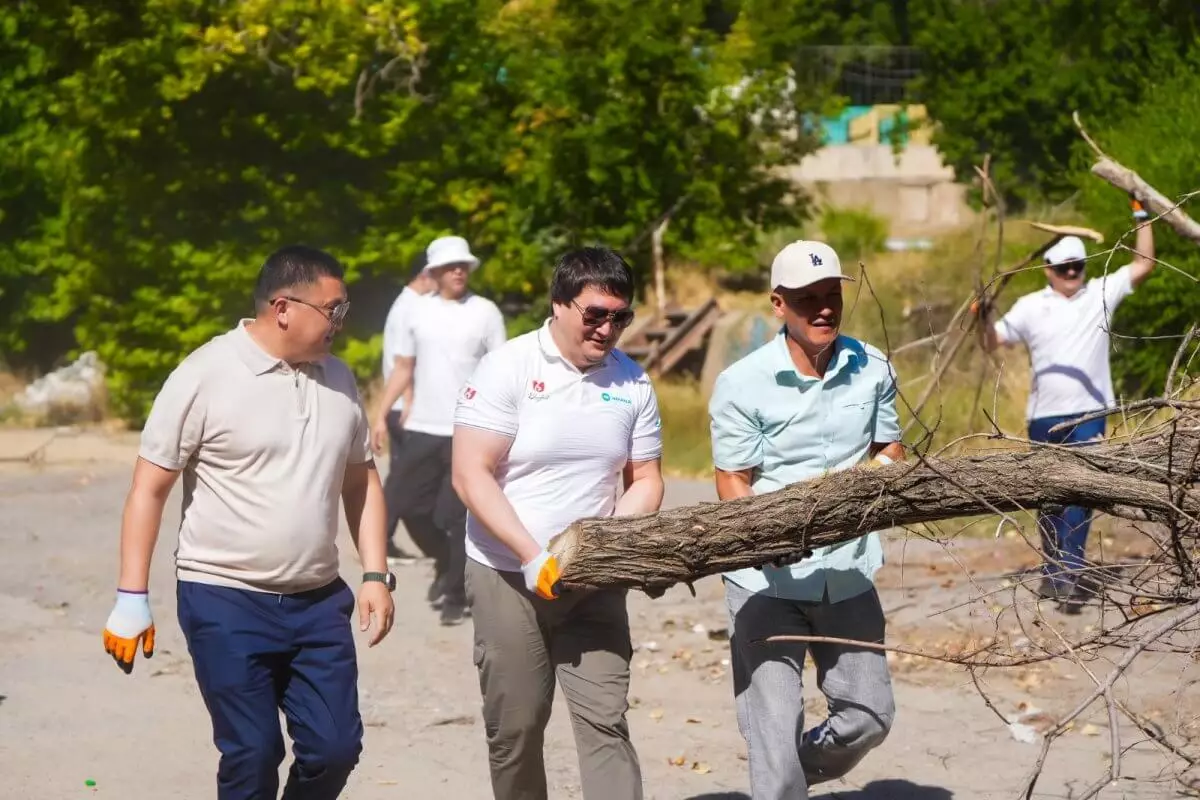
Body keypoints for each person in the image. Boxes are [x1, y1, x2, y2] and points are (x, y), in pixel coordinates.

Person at [101, 244, 397, 800]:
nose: (342, 321)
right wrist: (130, 596)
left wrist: (376, 575)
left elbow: (362, 482)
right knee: (253, 752)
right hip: (225, 598)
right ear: (284, 307)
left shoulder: (339, 379)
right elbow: (150, 487)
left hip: (317, 602)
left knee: (335, 750)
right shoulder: (205, 374)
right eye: (333, 309)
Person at [451, 246, 665, 800]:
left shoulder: (632, 382)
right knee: (517, 729)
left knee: (605, 723)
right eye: (595, 313)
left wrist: (610, 539)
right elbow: (470, 475)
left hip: (592, 582)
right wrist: (530, 555)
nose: (608, 328)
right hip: (506, 575)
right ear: (559, 305)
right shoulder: (509, 367)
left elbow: (647, 479)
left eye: (621, 316)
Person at [709, 240, 903, 800]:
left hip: (847, 571)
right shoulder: (742, 383)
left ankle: (795, 770)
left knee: (870, 715)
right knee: (772, 734)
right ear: (778, 303)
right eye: (806, 299)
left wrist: (873, 476)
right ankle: (780, 781)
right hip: (765, 580)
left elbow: (890, 446)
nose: (823, 308)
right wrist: (760, 537)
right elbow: (732, 480)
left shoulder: (873, 366)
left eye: (831, 295)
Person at [982, 198, 1156, 612]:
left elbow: (1145, 262)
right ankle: (1052, 567)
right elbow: (993, 343)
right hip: (1043, 417)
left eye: (1077, 265)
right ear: (1048, 271)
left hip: (1090, 414)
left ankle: (1069, 574)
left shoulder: (1101, 292)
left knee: (1081, 494)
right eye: (1064, 268)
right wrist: (982, 317)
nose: (1072, 273)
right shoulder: (1030, 306)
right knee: (1049, 499)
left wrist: (1140, 213)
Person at [370, 235, 506, 626]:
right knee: (408, 506)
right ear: (434, 273)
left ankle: (454, 594)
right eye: (451, 266)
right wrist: (381, 415)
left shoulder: (485, 312)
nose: (459, 271)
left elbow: (501, 370)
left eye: (464, 265)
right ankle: (445, 565)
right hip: (423, 426)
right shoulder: (417, 313)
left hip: (469, 429)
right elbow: (403, 368)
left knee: (456, 516)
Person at [380, 250, 438, 564]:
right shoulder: (414, 307)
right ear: (425, 274)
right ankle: (381, 541)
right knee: (403, 478)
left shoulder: (404, 304)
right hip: (407, 405)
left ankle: (386, 539)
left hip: (401, 403)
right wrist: (413, 402)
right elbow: (410, 362)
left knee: (402, 476)